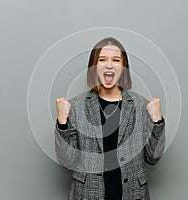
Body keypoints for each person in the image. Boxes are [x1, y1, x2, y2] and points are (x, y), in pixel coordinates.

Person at [55, 37, 165, 200]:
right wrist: (62, 122)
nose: (109, 65)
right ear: (94, 66)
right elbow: (66, 161)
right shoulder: (75, 107)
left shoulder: (141, 105)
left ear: (123, 67)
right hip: (87, 195)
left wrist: (157, 121)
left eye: (116, 60)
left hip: (133, 194)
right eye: (102, 59)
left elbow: (152, 158)